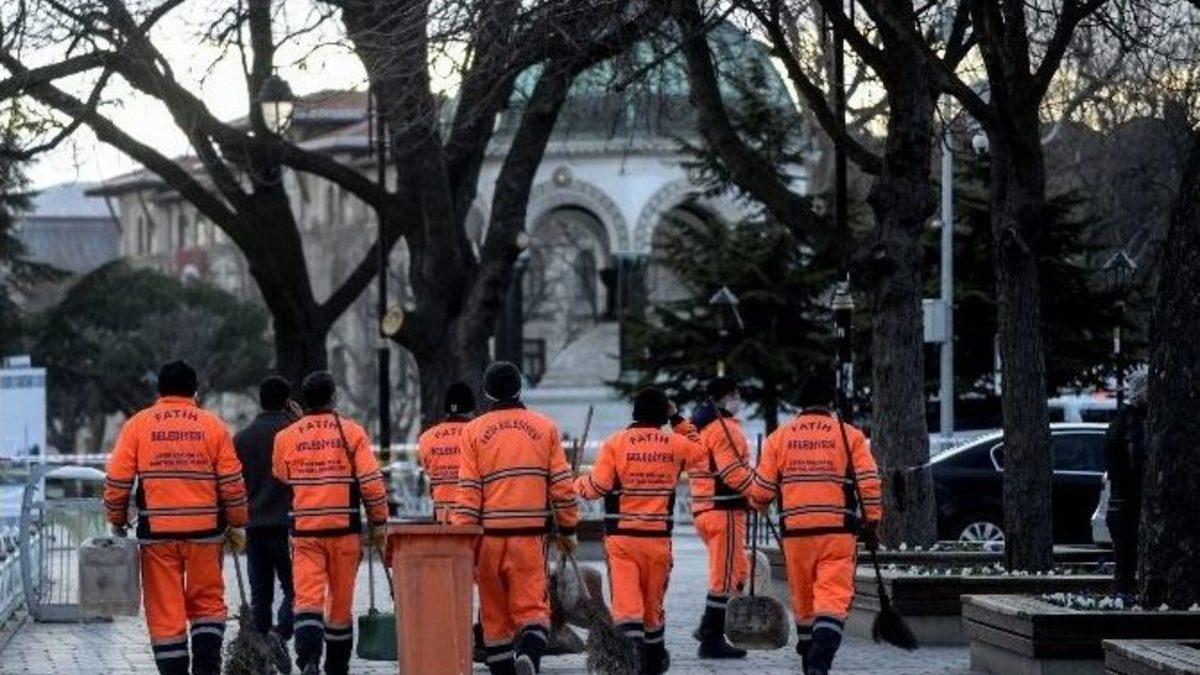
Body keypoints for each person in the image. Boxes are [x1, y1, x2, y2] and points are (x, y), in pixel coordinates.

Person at [103, 360, 249, 675]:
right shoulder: (213, 425)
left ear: (160, 389)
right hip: (205, 534)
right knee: (207, 603)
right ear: (195, 389)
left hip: (157, 537)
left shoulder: (138, 425)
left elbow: (117, 480)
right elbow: (232, 482)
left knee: (165, 611)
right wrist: (237, 519)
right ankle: (207, 668)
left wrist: (117, 518)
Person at [744, 373, 882, 675]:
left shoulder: (779, 438)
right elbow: (868, 482)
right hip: (837, 533)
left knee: (804, 601)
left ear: (800, 404)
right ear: (830, 403)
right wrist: (872, 521)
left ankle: (808, 654)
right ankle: (820, 659)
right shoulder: (849, 436)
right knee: (833, 597)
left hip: (796, 534)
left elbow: (761, 491)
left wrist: (758, 503)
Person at [451, 361, 579, 675]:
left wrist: (461, 538)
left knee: (494, 618)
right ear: (520, 389)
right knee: (533, 609)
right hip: (529, 537)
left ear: (486, 393)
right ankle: (529, 657)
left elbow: (468, 492)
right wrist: (568, 529)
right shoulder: (545, 427)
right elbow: (562, 486)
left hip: (488, 540)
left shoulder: (473, 431)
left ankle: (503, 669)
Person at [575, 388, 703, 675]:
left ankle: (629, 663)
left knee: (627, 606)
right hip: (657, 540)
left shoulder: (616, 443)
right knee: (652, 608)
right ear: (663, 413)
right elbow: (701, 451)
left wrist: (578, 484)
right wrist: (678, 419)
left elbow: (597, 488)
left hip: (622, 538)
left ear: (635, 412)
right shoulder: (675, 444)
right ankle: (653, 662)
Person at [272, 371, 389, 675]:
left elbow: (281, 474)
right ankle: (336, 666)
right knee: (340, 604)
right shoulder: (352, 433)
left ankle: (309, 658)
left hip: (305, 531)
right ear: (334, 397)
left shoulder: (286, 437)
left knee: (307, 599)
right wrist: (379, 522)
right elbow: (371, 484)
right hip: (344, 532)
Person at [234, 375, 298, 673]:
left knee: (261, 594)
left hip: (255, 525)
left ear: (260, 400)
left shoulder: (242, 438)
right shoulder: (294, 433)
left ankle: (261, 655)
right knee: (296, 589)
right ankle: (280, 634)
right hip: (288, 525)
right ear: (287, 400)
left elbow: (234, 483)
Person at [688, 376, 755, 659]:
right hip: (724, 511)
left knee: (737, 570)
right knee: (725, 577)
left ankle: (708, 627)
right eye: (735, 394)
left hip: (704, 509)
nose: (738, 400)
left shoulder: (700, 429)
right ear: (725, 398)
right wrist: (759, 492)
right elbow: (732, 473)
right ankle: (711, 638)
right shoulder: (725, 429)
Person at [1105, 368, 1149, 598]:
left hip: (1119, 503)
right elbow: (1136, 463)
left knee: (1124, 567)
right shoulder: (1133, 423)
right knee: (1127, 565)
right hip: (1130, 504)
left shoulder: (1119, 420)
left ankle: (1121, 601)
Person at [418, 382, 476, 522]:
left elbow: (429, 475)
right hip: (472, 518)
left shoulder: (426, 438)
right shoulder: (477, 434)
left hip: (443, 518)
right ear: (471, 410)